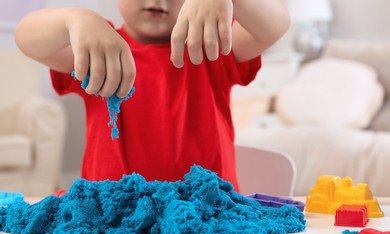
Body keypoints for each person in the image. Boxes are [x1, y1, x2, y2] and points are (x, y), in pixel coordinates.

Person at [15, 0, 290, 191]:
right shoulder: (98, 51)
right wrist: (74, 20)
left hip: (207, 221)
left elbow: (276, 24)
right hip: (110, 226)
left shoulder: (210, 45)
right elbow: (26, 37)